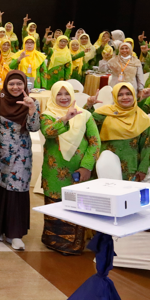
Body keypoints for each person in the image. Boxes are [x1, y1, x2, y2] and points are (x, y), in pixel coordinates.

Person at [39, 81, 101, 255]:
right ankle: (53, 241)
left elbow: (95, 142)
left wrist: (87, 166)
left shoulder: (85, 115)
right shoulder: (47, 115)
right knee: (54, 205)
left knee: (76, 206)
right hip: (54, 171)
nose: (64, 97)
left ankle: (73, 244)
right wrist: (66, 118)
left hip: (78, 171)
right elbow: (48, 132)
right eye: (59, 94)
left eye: (67, 94)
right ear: (53, 95)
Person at [0, 69, 40, 251]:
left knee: (16, 189)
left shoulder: (32, 102)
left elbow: (33, 128)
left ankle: (15, 234)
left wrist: (31, 108)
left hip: (20, 154)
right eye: (12, 84)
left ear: (25, 85)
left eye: (19, 84)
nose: (15, 87)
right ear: (6, 85)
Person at [92, 83, 150, 182]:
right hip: (106, 166)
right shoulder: (104, 113)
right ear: (115, 96)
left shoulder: (142, 118)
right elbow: (86, 125)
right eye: (120, 95)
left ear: (134, 95)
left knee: (129, 195)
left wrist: (143, 168)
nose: (125, 97)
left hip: (132, 166)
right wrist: (89, 105)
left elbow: (146, 146)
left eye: (128, 94)